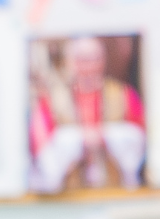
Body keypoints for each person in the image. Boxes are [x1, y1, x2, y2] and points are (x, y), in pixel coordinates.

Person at [29, 36, 146, 191]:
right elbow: (40, 144)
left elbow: (141, 136)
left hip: (115, 189)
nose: (89, 67)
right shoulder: (53, 100)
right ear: (71, 62)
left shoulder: (123, 95)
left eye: (94, 59)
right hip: (67, 195)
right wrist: (79, 140)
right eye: (82, 60)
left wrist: (105, 136)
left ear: (103, 61)